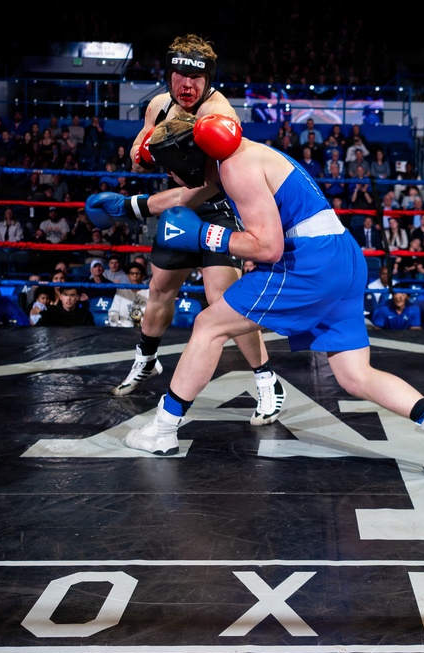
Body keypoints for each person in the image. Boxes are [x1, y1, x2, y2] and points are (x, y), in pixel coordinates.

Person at [87, 112, 424, 477]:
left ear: (186, 159)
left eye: (168, 169)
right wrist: (131, 208)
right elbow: (184, 197)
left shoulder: (235, 168)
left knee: (208, 325)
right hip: (343, 256)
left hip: (308, 263)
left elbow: (268, 248)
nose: (170, 176)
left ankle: (162, 430)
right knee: (355, 375)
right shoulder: (239, 154)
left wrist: (205, 234)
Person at [87, 33, 284, 428]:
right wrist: (142, 152)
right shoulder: (159, 105)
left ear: (208, 77)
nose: (187, 85)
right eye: (179, 75)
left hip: (217, 210)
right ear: (170, 74)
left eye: (195, 78)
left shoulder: (220, 114)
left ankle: (268, 381)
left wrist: (138, 207)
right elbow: (137, 151)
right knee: (159, 289)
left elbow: (211, 184)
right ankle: (146, 362)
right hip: (178, 209)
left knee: (222, 300)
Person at [107, 262, 150, 327]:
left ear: (142, 276)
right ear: (128, 276)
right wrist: (116, 325)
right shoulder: (121, 291)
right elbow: (114, 311)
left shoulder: (149, 291)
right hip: (124, 329)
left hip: (145, 329)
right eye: (132, 273)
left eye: (138, 273)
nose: (135, 276)